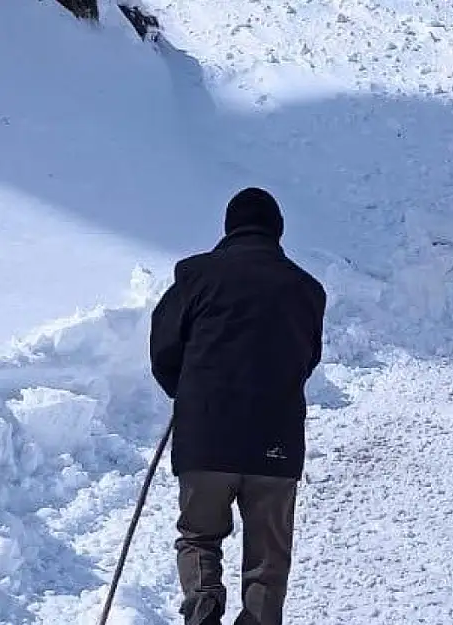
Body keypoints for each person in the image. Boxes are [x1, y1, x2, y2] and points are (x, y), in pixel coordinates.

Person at [149, 187, 326, 625]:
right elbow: (306, 359)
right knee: (269, 555)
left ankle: (204, 601)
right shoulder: (306, 289)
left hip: (206, 437)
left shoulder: (197, 276)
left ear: (229, 228)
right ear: (277, 232)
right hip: (276, 439)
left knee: (199, 536)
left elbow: (163, 350)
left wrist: (190, 395)